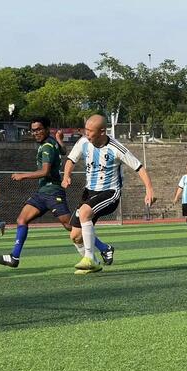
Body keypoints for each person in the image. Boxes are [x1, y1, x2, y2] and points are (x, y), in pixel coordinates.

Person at [0, 116, 112, 268]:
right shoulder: (50, 142)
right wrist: (60, 139)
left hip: (53, 192)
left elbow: (45, 171)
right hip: (42, 192)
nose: (35, 133)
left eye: (39, 129)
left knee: (71, 227)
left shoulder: (47, 146)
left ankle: (105, 248)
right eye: (33, 130)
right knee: (21, 219)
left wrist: (22, 175)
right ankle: (14, 257)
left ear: (46, 129)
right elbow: (63, 151)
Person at [63, 114, 155, 274]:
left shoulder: (117, 148)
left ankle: (90, 258)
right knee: (75, 236)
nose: (87, 134)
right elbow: (71, 159)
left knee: (85, 212)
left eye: (90, 131)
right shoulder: (83, 142)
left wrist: (149, 189)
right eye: (86, 130)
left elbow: (139, 167)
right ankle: (97, 262)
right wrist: (66, 175)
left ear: (102, 131)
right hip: (89, 192)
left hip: (110, 193)